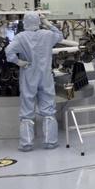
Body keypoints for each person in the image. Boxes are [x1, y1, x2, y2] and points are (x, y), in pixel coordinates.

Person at [5, 11, 63, 150]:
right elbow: (60, 36)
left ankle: (26, 143)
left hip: (29, 74)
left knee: (27, 108)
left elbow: (8, 52)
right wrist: (47, 22)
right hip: (45, 75)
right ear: (38, 21)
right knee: (48, 108)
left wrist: (18, 62)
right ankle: (50, 141)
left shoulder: (20, 37)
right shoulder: (48, 35)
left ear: (25, 22)